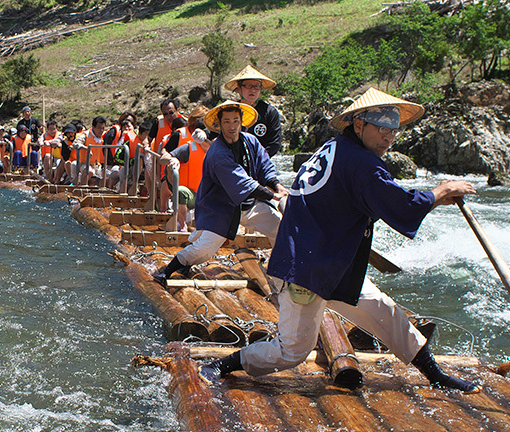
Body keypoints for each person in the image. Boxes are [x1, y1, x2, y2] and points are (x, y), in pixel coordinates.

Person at [202, 88, 480, 393]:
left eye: (394, 130)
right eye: (382, 129)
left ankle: (435, 375)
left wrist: (433, 199)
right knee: (292, 351)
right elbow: (399, 204)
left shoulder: (337, 148)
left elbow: (371, 199)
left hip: (332, 260)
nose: (389, 137)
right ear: (359, 125)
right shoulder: (360, 162)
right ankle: (221, 364)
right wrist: (440, 192)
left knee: (383, 309)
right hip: (306, 267)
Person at [153, 101, 286, 283]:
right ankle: (168, 270)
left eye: (235, 121)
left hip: (250, 205)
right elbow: (241, 182)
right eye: (227, 122)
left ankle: (281, 276)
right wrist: (272, 195)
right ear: (219, 124)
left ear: (241, 122)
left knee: (280, 228)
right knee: (203, 250)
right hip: (222, 209)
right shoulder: (217, 152)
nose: (232, 126)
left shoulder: (251, 141)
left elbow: (265, 166)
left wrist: (277, 185)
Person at [224, 65, 283, 157]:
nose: (253, 90)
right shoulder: (229, 110)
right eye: (248, 86)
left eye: (256, 86)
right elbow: (214, 130)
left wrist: (257, 160)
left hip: (260, 162)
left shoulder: (269, 112)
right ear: (239, 89)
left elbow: (274, 143)